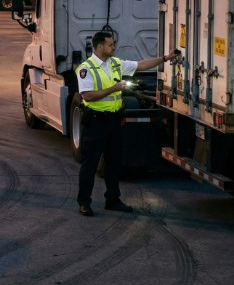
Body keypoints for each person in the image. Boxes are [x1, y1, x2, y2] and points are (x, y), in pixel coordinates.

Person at [75, 31, 180, 217]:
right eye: (110, 45)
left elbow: (140, 65)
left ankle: (112, 200)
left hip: (114, 122)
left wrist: (164, 58)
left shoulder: (115, 63)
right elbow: (88, 96)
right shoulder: (86, 68)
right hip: (96, 123)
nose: (113, 47)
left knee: (114, 163)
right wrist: (114, 88)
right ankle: (84, 202)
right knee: (90, 164)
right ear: (100, 47)